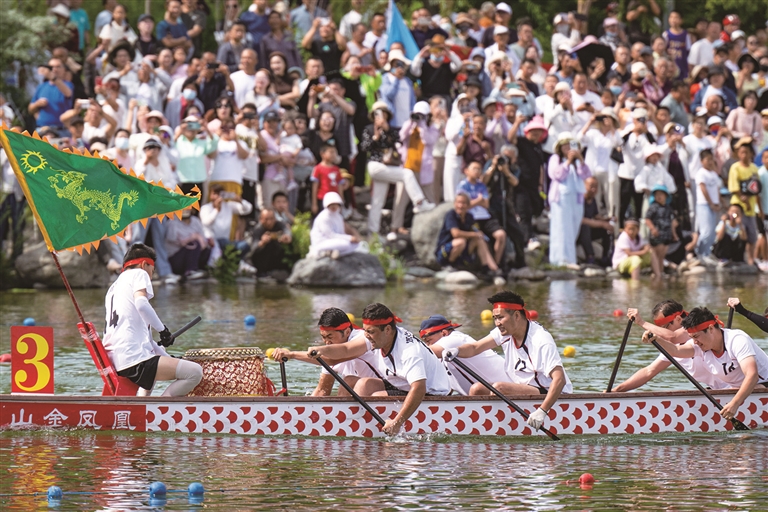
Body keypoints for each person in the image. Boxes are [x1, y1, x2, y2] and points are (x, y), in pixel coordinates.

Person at [307, 303, 451, 435]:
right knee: (354, 382)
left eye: (370, 332)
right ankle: (347, 423)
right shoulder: (381, 337)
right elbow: (344, 350)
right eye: (365, 331)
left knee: (376, 399)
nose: (366, 336)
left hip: (432, 393)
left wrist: (397, 423)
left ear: (387, 329)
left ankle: (363, 430)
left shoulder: (409, 352)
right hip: (401, 383)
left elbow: (419, 388)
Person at [443, 291, 572, 430]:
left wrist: (542, 411)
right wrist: (456, 351)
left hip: (548, 392)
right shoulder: (505, 332)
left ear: (516, 315)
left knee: (499, 388)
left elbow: (560, 379)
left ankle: (502, 426)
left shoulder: (540, 340)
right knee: (476, 389)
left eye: (500, 318)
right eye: (494, 318)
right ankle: (485, 426)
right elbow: (475, 347)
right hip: (523, 387)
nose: (497, 323)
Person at [102, 243, 203, 397]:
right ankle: (160, 407)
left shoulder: (114, 287)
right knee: (195, 372)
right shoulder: (139, 274)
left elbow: (148, 342)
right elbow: (142, 304)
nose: (151, 276)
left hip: (117, 360)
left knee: (154, 359)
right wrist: (163, 331)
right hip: (133, 360)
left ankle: (143, 404)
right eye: (152, 270)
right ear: (144, 265)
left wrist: (170, 359)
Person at [644, 307, 768, 421]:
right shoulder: (701, 345)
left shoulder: (737, 340)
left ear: (710, 328)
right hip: (737, 390)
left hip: (762, 386)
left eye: (696, 336)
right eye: (691, 337)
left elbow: (752, 376)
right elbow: (676, 351)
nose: (695, 342)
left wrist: (735, 404)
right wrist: (657, 339)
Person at [614, 300, 729, 392]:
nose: (659, 333)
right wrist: (616, 391)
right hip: (720, 392)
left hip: (736, 389)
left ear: (678, 319)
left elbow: (672, 336)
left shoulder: (695, 330)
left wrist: (641, 322)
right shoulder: (673, 348)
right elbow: (648, 372)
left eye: (663, 327)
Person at [361, 101, 435, 236]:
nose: (381, 116)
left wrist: (387, 129)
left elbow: (398, 140)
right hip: (375, 165)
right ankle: (419, 201)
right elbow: (365, 147)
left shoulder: (391, 129)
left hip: (388, 168)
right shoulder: (369, 129)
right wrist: (375, 137)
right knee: (407, 174)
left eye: (383, 113)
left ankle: (373, 233)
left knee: (378, 201)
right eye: (378, 114)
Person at [270, 307, 379, 396]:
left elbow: (335, 357)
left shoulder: (364, 338)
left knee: (349, 381)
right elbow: (322, 390)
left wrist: (292, 354)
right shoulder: (330, 349)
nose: (327, 342)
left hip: (385, 389)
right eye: (323, 337)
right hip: (365, 395)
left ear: (347, 332)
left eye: (330, 336)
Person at [419, 315, 507, 396]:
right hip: (485, 395)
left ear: (444, 333)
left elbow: (422, 353)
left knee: (476, 389)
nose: (428, 345)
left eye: (429, 340)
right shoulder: (440, 355)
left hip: (507, 391)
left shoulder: (454, 339)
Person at [548, 132, 591, 268]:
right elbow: (556, 174)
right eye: (565, 145)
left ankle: (570, 259)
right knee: (561, 228)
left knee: (573, 227)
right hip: (561, 197)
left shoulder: (577, 162)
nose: (568, 148)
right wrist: (567, 162)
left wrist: (580, 160)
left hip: (576, 197)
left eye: (570, 145)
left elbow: (586, 175)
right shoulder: (556, 159)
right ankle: (560, 259)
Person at [435, 192, 502, 276]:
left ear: (468, 205)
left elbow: (476, 231)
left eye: (463, 203)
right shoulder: (451, 215)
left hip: (462, 252)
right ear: (455, 204)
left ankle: (489, 268)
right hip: (445, 252)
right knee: (461, 241)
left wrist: (478, 234)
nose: (460, 205)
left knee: (479, 240)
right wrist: (474, 234)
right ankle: (449, 265)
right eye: (458, 203)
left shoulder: (469, 217)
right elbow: (455, 233)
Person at [457, 162, 507, 268]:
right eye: (474, 169)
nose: (477, 171)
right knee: (481, 239)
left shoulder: (482, 185)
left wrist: (474, 202)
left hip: (485, 216)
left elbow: (486, 204)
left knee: (501, 235)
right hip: (472, 218)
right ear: (467, 171)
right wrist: (479, 200)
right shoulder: (463, 185)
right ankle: (490, 268)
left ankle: (497, 263)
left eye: (479, 169)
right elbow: (463, 205)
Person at [728, 137, 763, 266]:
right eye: (741, 152)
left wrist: (758, 208)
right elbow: (734, 188)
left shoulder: (754, 168)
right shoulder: (735, 168)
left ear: (751, 154)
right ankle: (736, 257)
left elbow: (757, 189)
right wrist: (745, 200)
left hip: (751, 208)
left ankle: (751, 259)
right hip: (738, 206)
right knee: (739, 232)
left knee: (752, 235)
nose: (744, 155)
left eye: (746, 152)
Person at [307, 192, 361, 259]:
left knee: (356, 245)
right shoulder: (324, 218)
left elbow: (341, 232)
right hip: (322, 242)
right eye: (331, 204)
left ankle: (335, 252)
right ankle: (327, 251)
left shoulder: (338, 216)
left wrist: (352, 238)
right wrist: (350, 238)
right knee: (345, 244)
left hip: (335, 242)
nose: (334, 206)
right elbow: (331, 235)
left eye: (336, 204)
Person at [164, 209, 212, 280]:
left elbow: (203, 241)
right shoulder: (172, 222)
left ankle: (199, 270)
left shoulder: (195, 221)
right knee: (193, 244)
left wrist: (199, 238)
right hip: (175, 257)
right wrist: (191, 237)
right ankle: (190, 272)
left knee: (207, 250)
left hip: (191, 254)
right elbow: (173, 239)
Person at [29, 58, 73, 131]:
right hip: (42, 129)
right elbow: (30, 109)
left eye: (58, 67)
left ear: (64, 70)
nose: (54, 69)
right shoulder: (41, 86)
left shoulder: (68, 85)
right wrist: (37, 104)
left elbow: (68, 93)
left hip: (61, 130)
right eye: (51, 67)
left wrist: (53, 78)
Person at [579, 177, 614, 266]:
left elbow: (595, 216)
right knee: (585, 227)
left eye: (596, 187)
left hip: (590, 230)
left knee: (608, 229)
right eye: (591, 186)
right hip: (579, 232)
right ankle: (590, 256)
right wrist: (602, 224)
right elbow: (582, 219)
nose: (594, 189)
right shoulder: (580, 200)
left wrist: (607, 220)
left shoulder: (593, 200)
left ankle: (606, 257)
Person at [645, 185, 678, 278]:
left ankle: (660, 271)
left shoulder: (668, 208)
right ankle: (657, 273)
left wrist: (674, 234)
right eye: (657, 195)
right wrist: (652, 229)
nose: (659, 196)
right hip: (657, 234)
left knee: (662, 255)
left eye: (661, 194)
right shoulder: (653, 207)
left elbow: (671, 222)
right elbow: (647, 219)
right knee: (656, 253)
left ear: (666, 196)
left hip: (666, 234)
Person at [695, 149, 723, 258]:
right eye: (708, 159)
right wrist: (710, 203)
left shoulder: (713, 174)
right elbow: (703, 189)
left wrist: (720, 202)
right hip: (704, 205)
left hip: (714, 205)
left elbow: (716, 189)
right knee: (706, 232)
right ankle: (699, 252)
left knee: (712, 232)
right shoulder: (701, 173)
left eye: (712, 159)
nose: (710, 162)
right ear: (702, 161)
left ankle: (707, 253)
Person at [250, 208, 292, 279]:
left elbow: (287, 231)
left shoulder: (279, 224)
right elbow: (253, 248)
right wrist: (262, 243)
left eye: (272, 219)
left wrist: (287, 238)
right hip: (262, 260)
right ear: (261, 219)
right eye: (266, 219)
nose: (269, 222)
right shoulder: (257, 229)